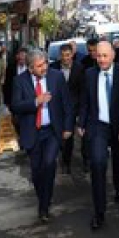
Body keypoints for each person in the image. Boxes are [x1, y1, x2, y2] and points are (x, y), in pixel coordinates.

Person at [11, 49, 74, 223]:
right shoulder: (19, 81)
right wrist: (35, 102)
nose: (44, 67)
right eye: (39, 66)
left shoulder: (56, 77)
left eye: (45, 63)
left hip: (52, 131)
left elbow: (67, 103)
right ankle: (43, 197)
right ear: (30, 68)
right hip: (32, 132)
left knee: (49, 163)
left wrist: (68, 127)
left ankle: (44, 206)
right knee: (37, 170)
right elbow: (15, 106)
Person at [79, 41, 119, 230]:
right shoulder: (89, 74)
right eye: (98, 56)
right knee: (97, 164)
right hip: (98, 126)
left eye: (105, 55)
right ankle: (99, 212)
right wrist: (82, 123)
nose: (101, 59)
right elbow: (85, 101)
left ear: (113, 55)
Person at [51, 43, 87, 174]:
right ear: (59, 56)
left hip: (73, 108)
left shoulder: (79, 68)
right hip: (57, 107)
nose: (65, 58)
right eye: (63, 55)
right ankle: (59, 156)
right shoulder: (53, 67)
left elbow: (83, 91)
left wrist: (80, 111)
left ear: (72, 55)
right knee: (57, 134)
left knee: (69, 135)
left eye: (68, 55)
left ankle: (66, 163)